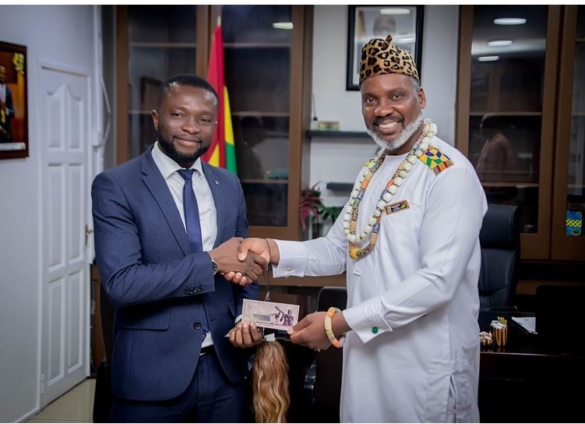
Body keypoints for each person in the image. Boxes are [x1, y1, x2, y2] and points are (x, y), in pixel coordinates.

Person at [230, 35, 487, 422]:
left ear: (421, 98)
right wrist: (271, 249)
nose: (382, 110)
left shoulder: (448, 173)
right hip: (366, 361)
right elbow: (339, 248)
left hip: (424, 368)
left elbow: (437, 282)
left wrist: (337, 324)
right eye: (370, 99)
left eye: (396, 96)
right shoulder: (373, 170)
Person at [91, 73, 267, 423]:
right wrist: (211, 262)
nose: (191, 127)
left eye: (204, 119)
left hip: (225, 371)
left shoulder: (228, 184)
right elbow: (122, 284)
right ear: (156, 118)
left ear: (214, 126)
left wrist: (247, 319)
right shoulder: (117, 186)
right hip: (150, 375)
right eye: (178, 114)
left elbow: (245, 272)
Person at [0, 65, 14, 143]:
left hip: (7, 134)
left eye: (4, 74)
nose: (3, 75)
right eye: (1, 73)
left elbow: (13, 113)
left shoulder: (8, 91)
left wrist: (6, 110)